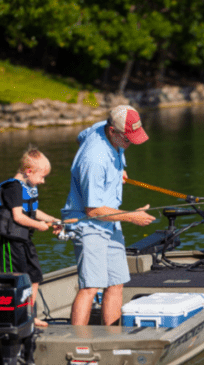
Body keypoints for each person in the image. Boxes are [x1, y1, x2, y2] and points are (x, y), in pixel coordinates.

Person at [61, 105, 156, 326]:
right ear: (112, 131)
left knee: (116, 282)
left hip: (110, 219)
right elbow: (93, 210)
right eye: (128, 139)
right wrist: (132, 216)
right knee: (91, 287)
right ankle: (77, 343)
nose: (131, 143)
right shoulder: (93, 161)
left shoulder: (99, 129)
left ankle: (112, 336)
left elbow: (80, 136)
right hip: (89, 223)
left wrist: (117, 170)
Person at [0, 148, 62, 327]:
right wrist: (39, 226)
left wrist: (53, 220)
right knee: (16, 279)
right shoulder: (13, 188)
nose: (43, 181)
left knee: (34, 276)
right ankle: (16, 316)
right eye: (42, 177)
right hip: (12, 241)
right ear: (29, 171)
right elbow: (18, 216)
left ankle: (29, 314)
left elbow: (32, 211)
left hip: (25, 240)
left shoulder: (28, 188)